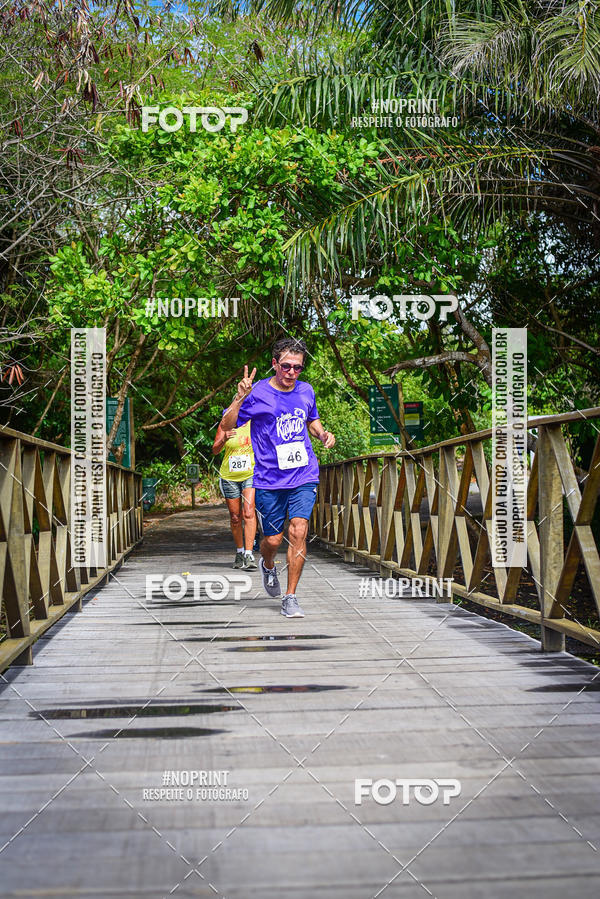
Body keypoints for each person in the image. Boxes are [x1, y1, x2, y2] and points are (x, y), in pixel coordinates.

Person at [220, 337, 335, 617]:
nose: (291, 373)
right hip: (269, 479)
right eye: (286, 366)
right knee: (272, 540)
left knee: (299, 530)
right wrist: (240, 397)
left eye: (298, 368)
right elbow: (226, 425)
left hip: (304, 474)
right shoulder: (257, 393)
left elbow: (311, 419)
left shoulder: (306, 391)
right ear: (274, 364)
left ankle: (290, 597)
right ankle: (268, 565)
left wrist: (321, 434)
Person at [212, 419, 258, 570]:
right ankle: (239, 552)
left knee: (249, 512)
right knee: (235, 516)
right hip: (229, 477)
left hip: (250, 474)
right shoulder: (226, 424)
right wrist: (224, 438)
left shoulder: (255, 422)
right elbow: (215, 450)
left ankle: (249, 554)